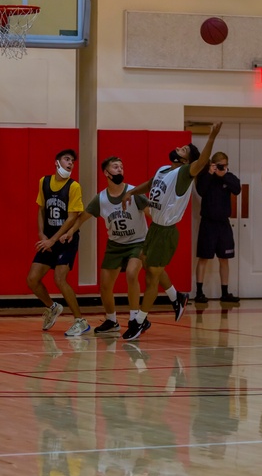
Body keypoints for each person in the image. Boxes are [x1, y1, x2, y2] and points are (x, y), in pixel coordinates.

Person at [59, 156, 187, 334]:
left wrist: (166, 225)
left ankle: (135, 318)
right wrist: (71, 231)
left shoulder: (134, 193)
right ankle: (112, 321)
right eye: (115, 166)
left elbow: (152, 213)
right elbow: (83, 217)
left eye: (121, 166)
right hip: (115, 245)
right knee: (104, 284)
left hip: (138, 242)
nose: (120, 169)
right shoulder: (101, 199)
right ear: (106, 172)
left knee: (132, 273)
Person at [120, 122, 222, 341]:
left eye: (183, 149)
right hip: (155, 228)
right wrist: (131, 193)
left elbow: (202, 161)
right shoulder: (164, 170)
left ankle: (140, 321)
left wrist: (212, 137)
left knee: (150, 279)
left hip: (166, 232)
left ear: (186, 161)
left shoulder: (186, 173)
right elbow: (149, 184)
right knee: (146, 264)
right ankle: (177, 297)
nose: (178, 147)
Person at [28, 149, 90, 337]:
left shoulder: (74, 186)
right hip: (48, 239)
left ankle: (80, 321)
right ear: (57, 162)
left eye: (72, 161)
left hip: (66, 239)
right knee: (32, 279)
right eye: (67, 159)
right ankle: (52, 307)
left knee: (60, 279)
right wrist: (42, 234)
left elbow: (72, 217)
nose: (70, 163)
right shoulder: (44, 182)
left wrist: (54, 239)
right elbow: (41, 209)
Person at [194, 151, 242, 304]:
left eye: (224, 165)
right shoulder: (205, 177)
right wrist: (210, 172)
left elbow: (237, 189)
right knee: (203, 257)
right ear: (212, 164)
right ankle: (199, 292)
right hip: (208, 223)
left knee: (224, 258)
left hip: (223, 224)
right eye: (219, 165)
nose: (222, 167)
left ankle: (225, 292)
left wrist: (224, 175)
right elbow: (201, 190)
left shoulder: (229, 177)